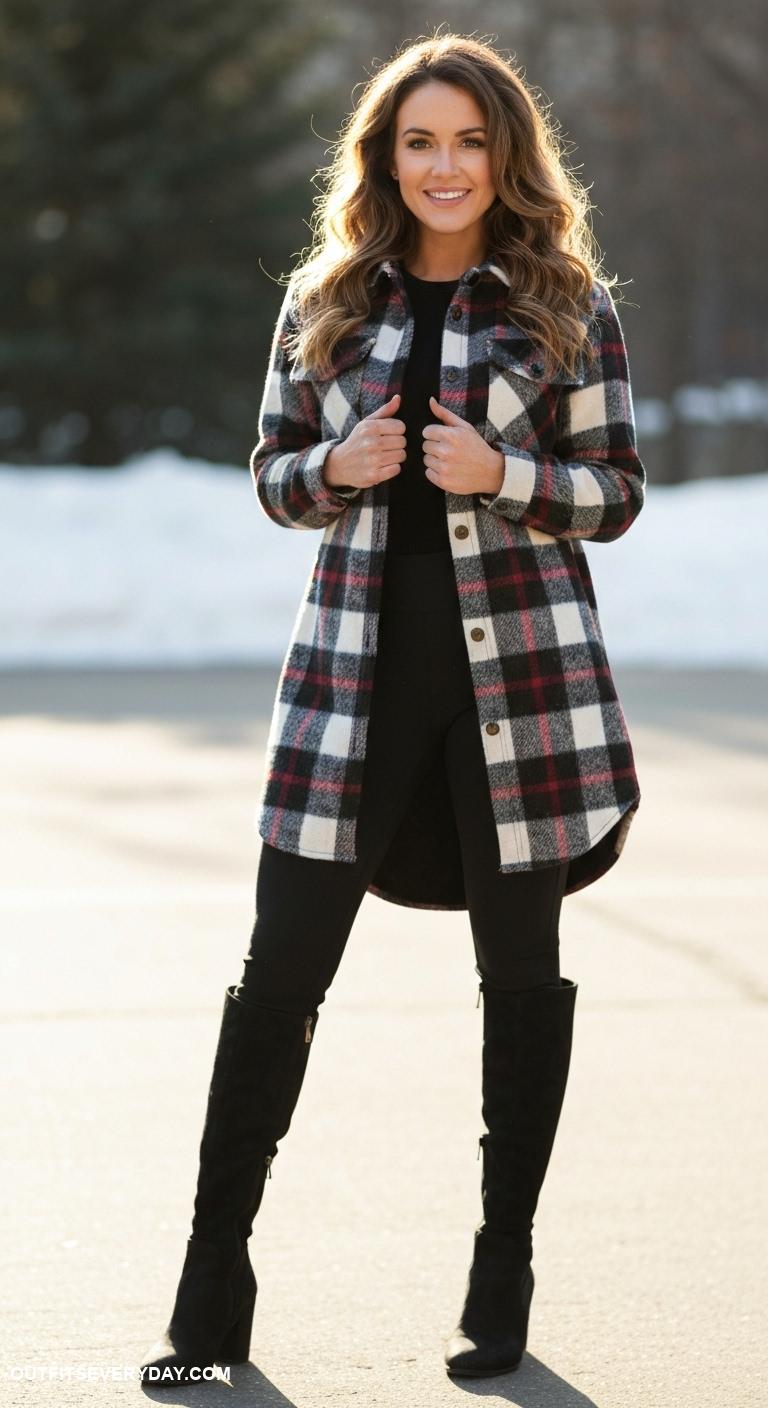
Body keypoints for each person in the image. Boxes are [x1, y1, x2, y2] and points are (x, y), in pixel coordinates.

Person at [140, 31, 645, 1385]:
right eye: (420, 142)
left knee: (519, 980)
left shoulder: (569, 305)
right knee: (278, 975)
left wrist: (504, 473)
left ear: (506, 156)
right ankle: (209, 1284)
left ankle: (502, 1271)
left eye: (469, 141)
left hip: (521, 691)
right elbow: (271, 474)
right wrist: (336, 465)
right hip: (350, 685)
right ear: (385, 158)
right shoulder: (326, 299)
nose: (445, 166)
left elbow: (616, 491)